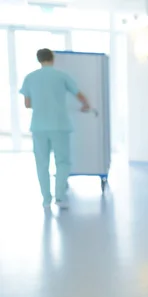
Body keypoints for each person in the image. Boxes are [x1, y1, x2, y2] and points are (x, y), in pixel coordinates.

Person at [20, 48, 90, 209]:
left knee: (42, 163)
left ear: (38, 60)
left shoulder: (30, 78)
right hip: (60, 125)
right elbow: (78, 94)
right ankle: (59, 197)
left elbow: (27, 104)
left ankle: (46, 200)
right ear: (53, 58)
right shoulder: (61, 76)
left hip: (39, 126)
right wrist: (86, 105)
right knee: (63, 161)